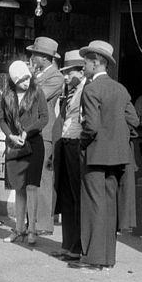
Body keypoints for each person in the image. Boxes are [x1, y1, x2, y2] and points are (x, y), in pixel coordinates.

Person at [72, 40, 138, 271]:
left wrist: (83, 143)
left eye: (86, 63)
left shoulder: (91, 89)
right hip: (118, 156)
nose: (83, 67)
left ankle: (94, 258)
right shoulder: (120, 88)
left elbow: (91, 126)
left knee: (93, 206)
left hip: (95, 155)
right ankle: (108, 258)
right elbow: (134, 120)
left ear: (96, 63)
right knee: (110, 206)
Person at [0, 59, 48, 245]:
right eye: (21, 81)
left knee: (32, 187)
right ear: (13, 81)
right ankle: (19, 229)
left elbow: (45, 117)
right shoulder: (7, 95)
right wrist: (10, 136)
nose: (26, 83)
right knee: (19, 188)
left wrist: (29, 131)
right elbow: (2, 119)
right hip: (16, 145)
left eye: (27, 78)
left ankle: (32, 230)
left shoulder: (37, 92)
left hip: (34, 144)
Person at [25, 37, 65, 235]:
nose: (31, 57)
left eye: (35, 54)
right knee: (32, 178)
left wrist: (30, 79)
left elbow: (35, 98)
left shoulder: (56, 77)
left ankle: (43, 224)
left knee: (43, 179)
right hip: (34, 130)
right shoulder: (40, 75)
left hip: (45, 132)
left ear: (44, 57)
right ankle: (31, 220)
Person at [51, 50, 86, 261]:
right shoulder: (70, 91)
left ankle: (76, 246)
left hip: (76, 144)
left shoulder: (85, 90)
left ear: (81, 71)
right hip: (65, 144)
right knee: (65, 197)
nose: (65, 77)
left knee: (75, 196)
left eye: (69, 72)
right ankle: (67, 244)